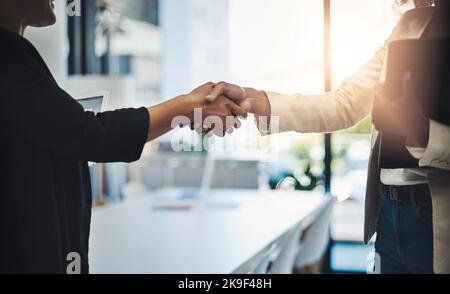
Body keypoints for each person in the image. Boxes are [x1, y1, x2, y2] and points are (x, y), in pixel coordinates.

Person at [0, 0, 246, 273]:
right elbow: (89, 135)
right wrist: (188, 106)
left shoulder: (17, 57)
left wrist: (189, 107)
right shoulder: (7, 56)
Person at [207, 0, 450, 273]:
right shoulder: (408, 25)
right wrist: (255, 99)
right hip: (390, 212)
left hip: (433, 216)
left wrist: (420, 130)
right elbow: (344, 103)